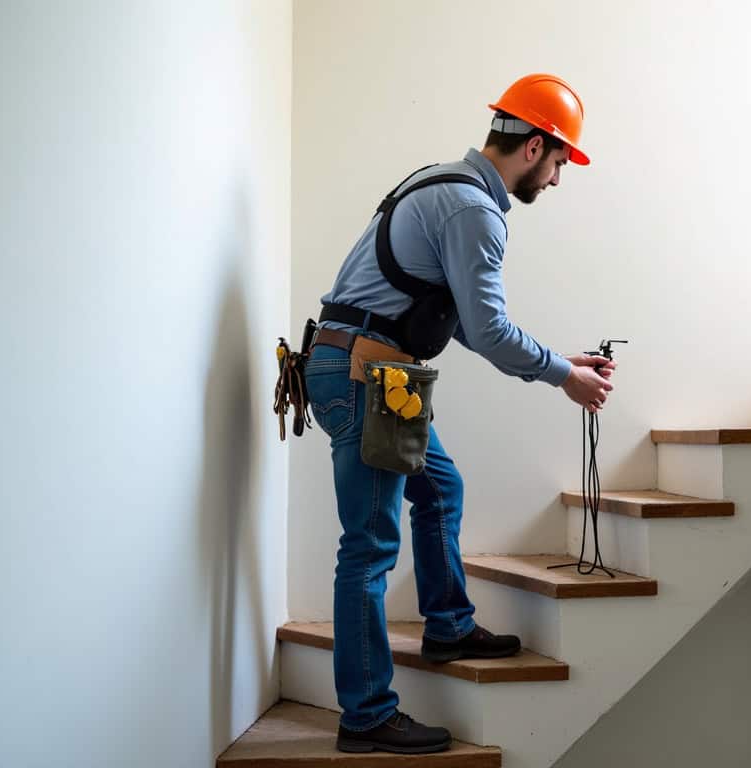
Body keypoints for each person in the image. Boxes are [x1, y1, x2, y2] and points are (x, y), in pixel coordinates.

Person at [303, 73, 616, 755]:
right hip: (366, 375)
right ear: (533, 146)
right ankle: (366, 716)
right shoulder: (475, 209)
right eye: (560, 161)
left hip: (370, 369)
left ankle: (447, 626)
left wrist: (557, 360)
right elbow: (492, 331)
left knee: (440, 488)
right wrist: (564, 376)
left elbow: (469, 323)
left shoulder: (443, 181)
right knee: (369, 547)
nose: (558, 179)